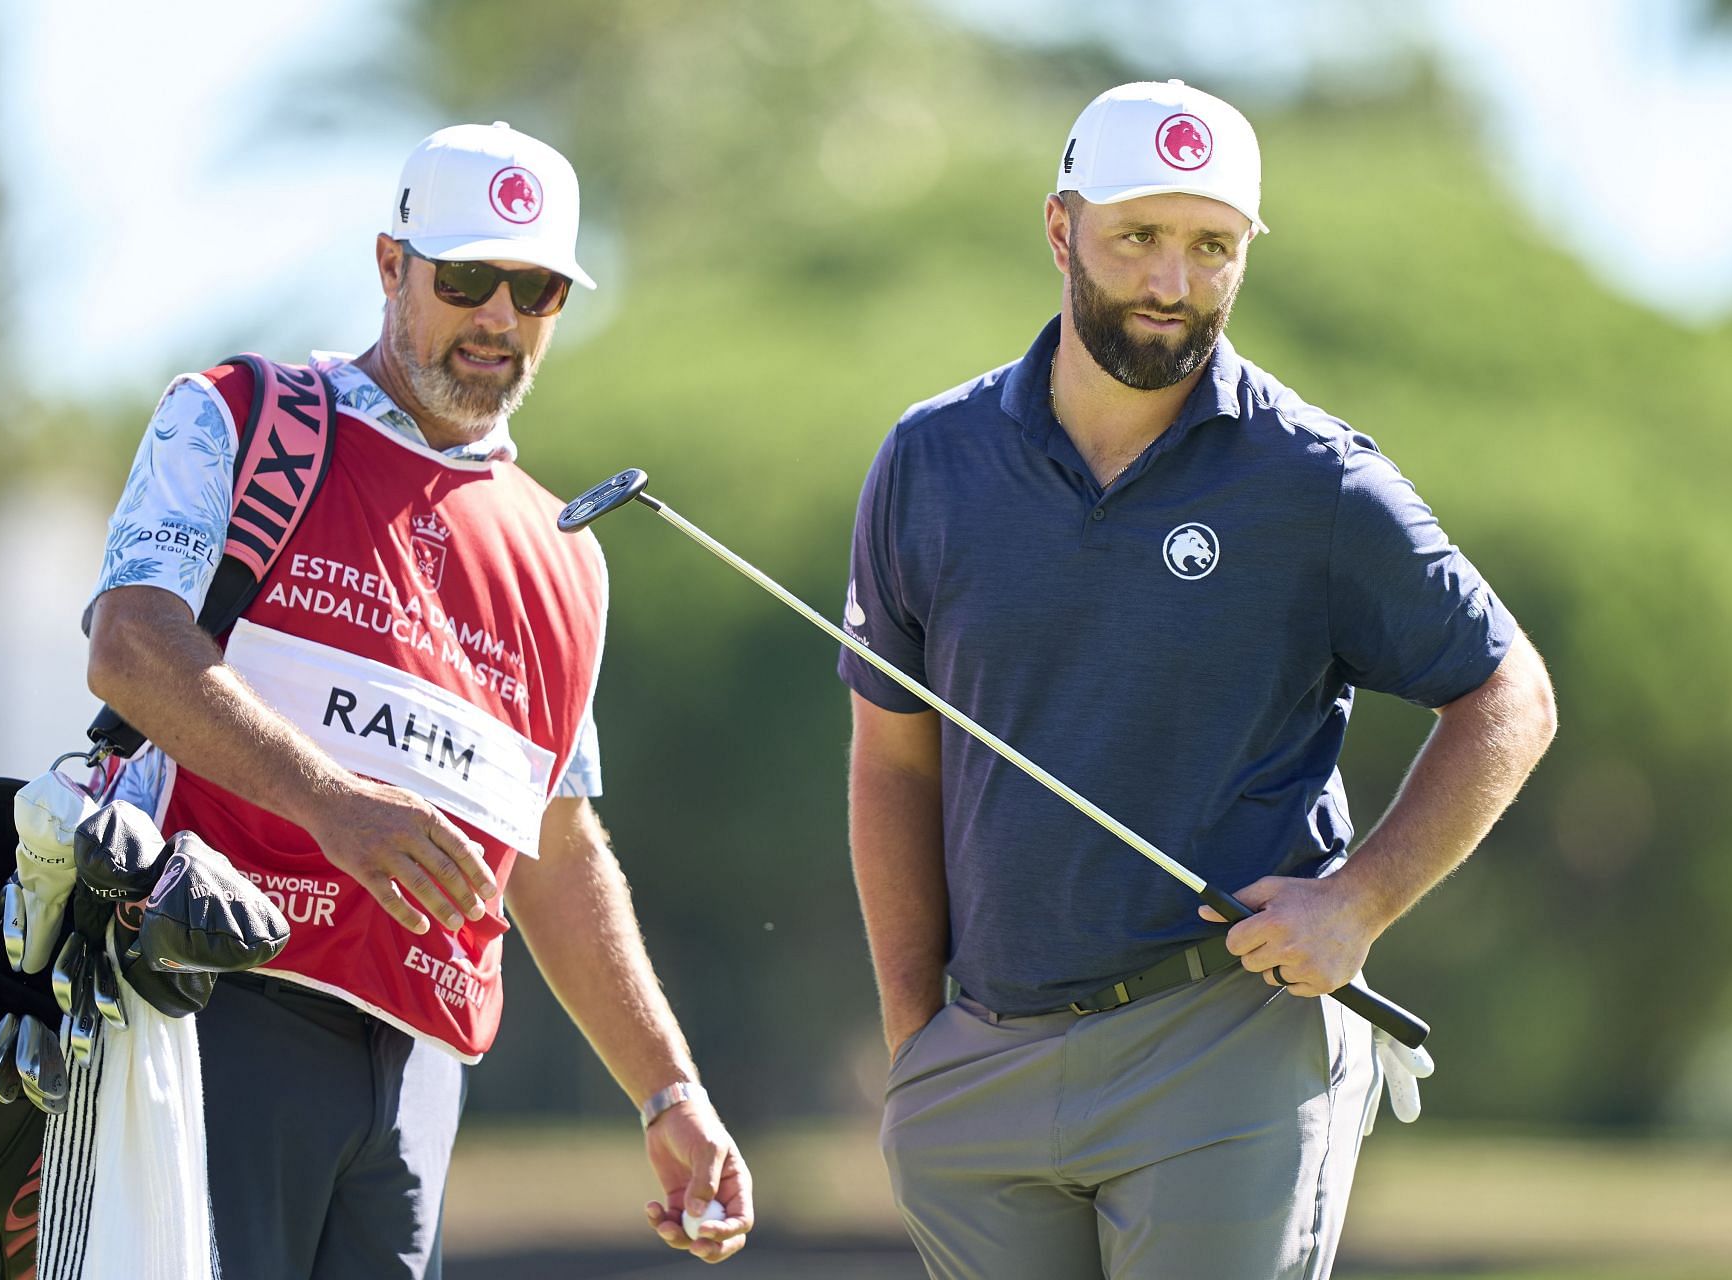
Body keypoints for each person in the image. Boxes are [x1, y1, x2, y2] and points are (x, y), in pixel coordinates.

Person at [838, 81, 1557, 1279]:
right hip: (988, 1057)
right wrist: (917, 1035)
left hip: (1223, 1040)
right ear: (1062, 230)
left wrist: (1360, 902)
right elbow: (892, 754)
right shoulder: (931, 460)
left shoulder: (1317, 478)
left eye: (1211, 246)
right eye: (1140, 238)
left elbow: (1509, 692)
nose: (1173, 282)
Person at [83, 121, 753, 1276]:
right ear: (392, 266)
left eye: (534, 287)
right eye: (465, 277)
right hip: (206, 1006)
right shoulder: (243, 414)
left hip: (417, 1069)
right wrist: (337, 804)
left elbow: (555, 837)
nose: (498, 316)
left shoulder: (568, 556)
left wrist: (668, 1089)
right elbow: (131, 646)